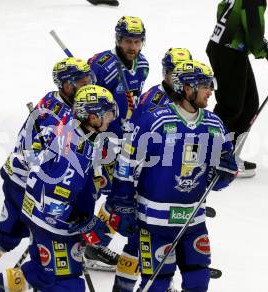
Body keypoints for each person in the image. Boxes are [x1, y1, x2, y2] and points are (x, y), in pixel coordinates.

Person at [0, 57, 96, 292]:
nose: (85, 88)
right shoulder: (59, 117)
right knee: (44, 261)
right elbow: (49, 163)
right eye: (80, 83)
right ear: (65, 85)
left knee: (5, 237)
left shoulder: (52, 100)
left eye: (88, 82)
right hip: (29, 188)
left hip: (16, 176)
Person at [0, 84, 118, 292]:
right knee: (67, 284)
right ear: (92, 117)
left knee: (37, 274)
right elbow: (53, 203)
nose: (111, 119)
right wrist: (85, 223)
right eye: (107, 114)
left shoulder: (73, 133)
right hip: (53, 228)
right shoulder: (74, 151)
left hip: (38, 218)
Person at [107, 60, 238, 291]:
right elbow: (125, 162)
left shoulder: (214, 124)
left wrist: (226, 173)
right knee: (157, 284)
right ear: (188, 88)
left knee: (198, 281)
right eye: (206, 85)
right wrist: (122, 203)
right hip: (155, 223)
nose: (211, 91)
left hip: (193, 221)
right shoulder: (154, 120)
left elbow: (219, 178)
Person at [84, 15, 149, 271]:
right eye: (127, 41)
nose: (132, 47)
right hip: (99, 140)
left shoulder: (142, 64)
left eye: (137, 41)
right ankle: (67, 237)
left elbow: (135, 99)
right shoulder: (100, 65)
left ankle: (93, 242)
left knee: (120, 194)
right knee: (93, 190)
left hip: (123, 141)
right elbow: (83, 100)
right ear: (118, 40)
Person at [206, 0, 268, 178]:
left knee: (249, 105)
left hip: (230, 50)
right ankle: (210, 157)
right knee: (230, 107)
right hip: (228, 53)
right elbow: (254, 30)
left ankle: (228, 155)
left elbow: (222, 8)